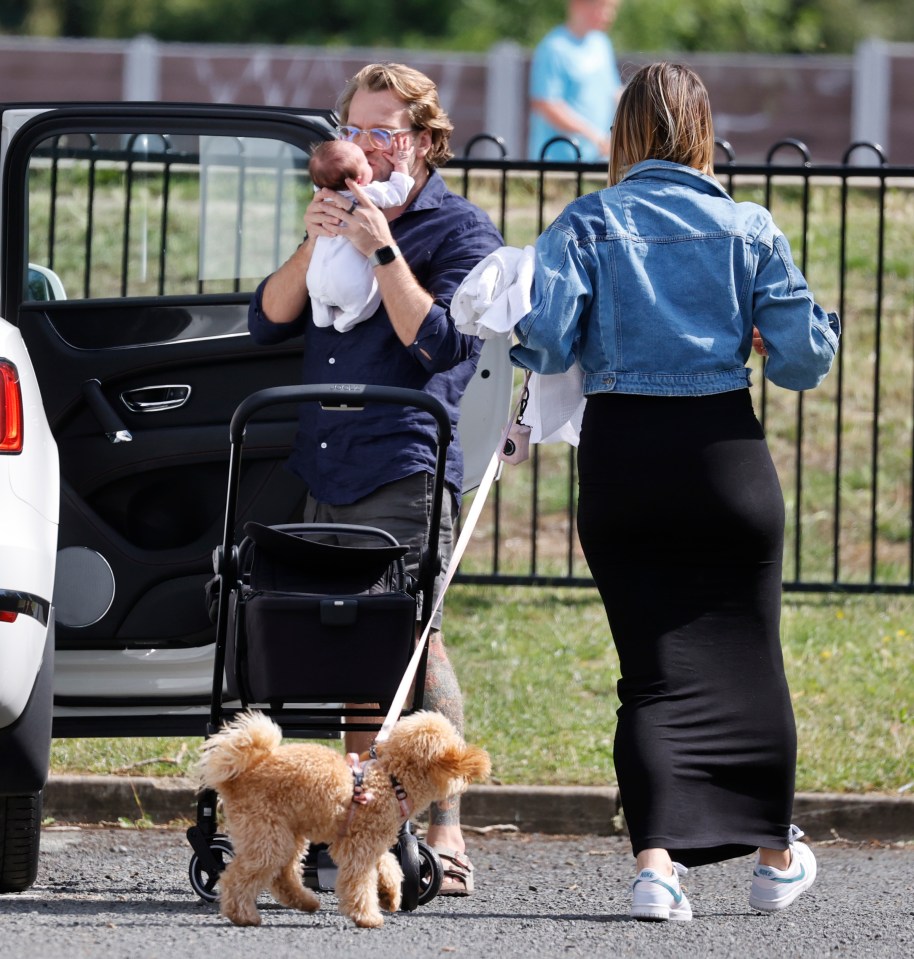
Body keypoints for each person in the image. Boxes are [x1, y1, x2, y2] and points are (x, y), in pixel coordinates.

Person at [510, 62, 839, 921]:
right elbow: (803, 361)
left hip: (625, 457)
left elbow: (543, 346)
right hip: (724, 454)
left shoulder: (586, 222)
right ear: (701, 132)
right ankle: (774, 858)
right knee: (751, 659)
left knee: (650, 671)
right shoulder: (747, 225)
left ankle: (657, 869)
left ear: (622, 132)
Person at [247, 61, 504, 896]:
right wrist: (318, 234)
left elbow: (441, 345)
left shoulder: (460, 230)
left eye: (383, 132)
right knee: (348, 640)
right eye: (351, 129)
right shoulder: (336, 215)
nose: (362, 147)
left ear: (426, 142)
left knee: (410, 643)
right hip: (326, 457)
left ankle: (446, 827)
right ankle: (361, 825)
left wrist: (380, 246)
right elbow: (269, 316)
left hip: (405, 461)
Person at [306, 139, 415, 332]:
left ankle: (321, 314)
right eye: (364, 161)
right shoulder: (367, 193)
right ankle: (346, 321)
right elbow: (399, 191)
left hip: (315, 279)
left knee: (318, 292)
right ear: (358, 181)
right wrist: (401, 164)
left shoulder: (322, 195)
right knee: (369, 298)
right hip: (349, 284)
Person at [527, 0, 622, 162]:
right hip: (559, 162)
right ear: (577, 4)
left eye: (612, 8)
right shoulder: (554, 48)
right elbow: (546, 104)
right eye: (602, 7)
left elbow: (614, 92)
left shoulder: (601, 43)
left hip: (597, 159)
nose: (609, 15)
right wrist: (594, 137)